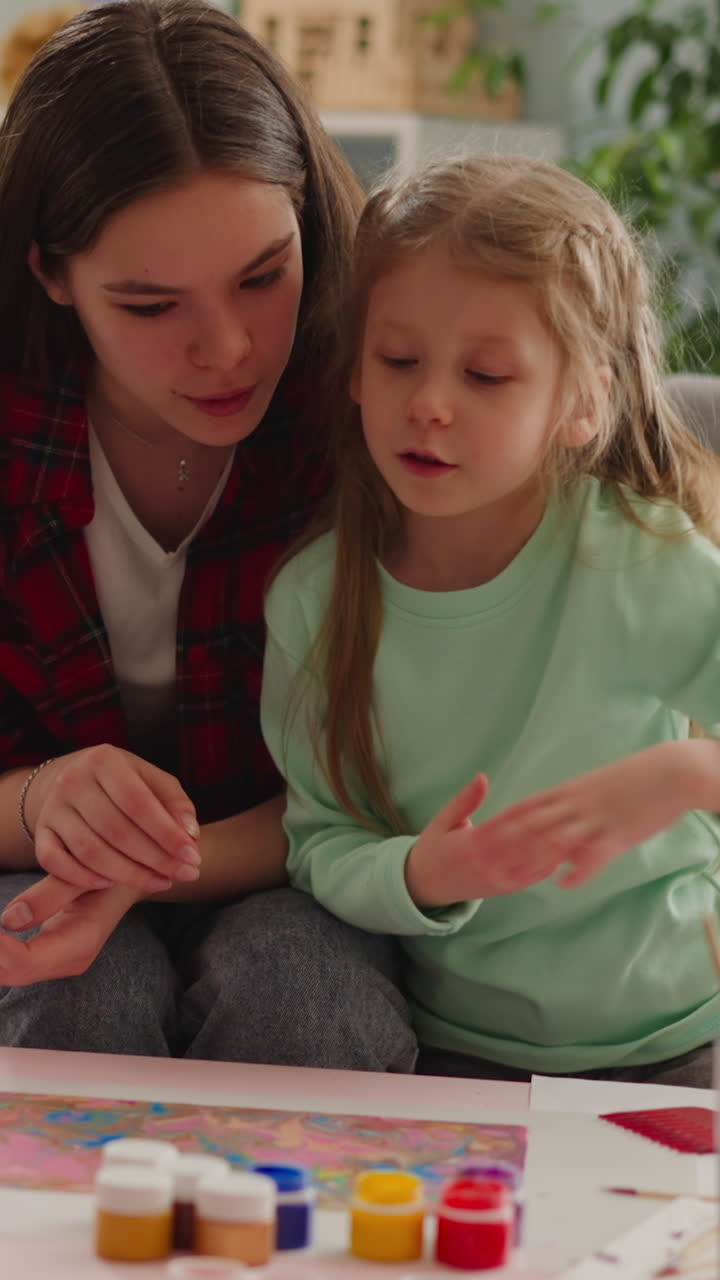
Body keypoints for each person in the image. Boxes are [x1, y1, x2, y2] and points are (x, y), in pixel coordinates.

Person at [0, 0, 417, 1072]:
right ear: (51, 275)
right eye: (149, 305)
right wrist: (41, 798)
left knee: (307, 1002)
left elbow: (410, 774)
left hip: (301, 864)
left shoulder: (384, 404)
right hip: (26, 858)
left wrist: (156, 863)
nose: (226, 349)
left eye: (262, 276)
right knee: (72, 998)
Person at [261, 151, 720, 1087]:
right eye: (399, 361)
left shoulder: (639, 561)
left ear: (582, 402)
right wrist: (429, 875)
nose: (429, 403)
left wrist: (684, 772)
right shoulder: (314, 602)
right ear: (354, 369)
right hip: (457, 1058)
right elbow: (319, 843)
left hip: (688, 1038)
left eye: (486, 374)